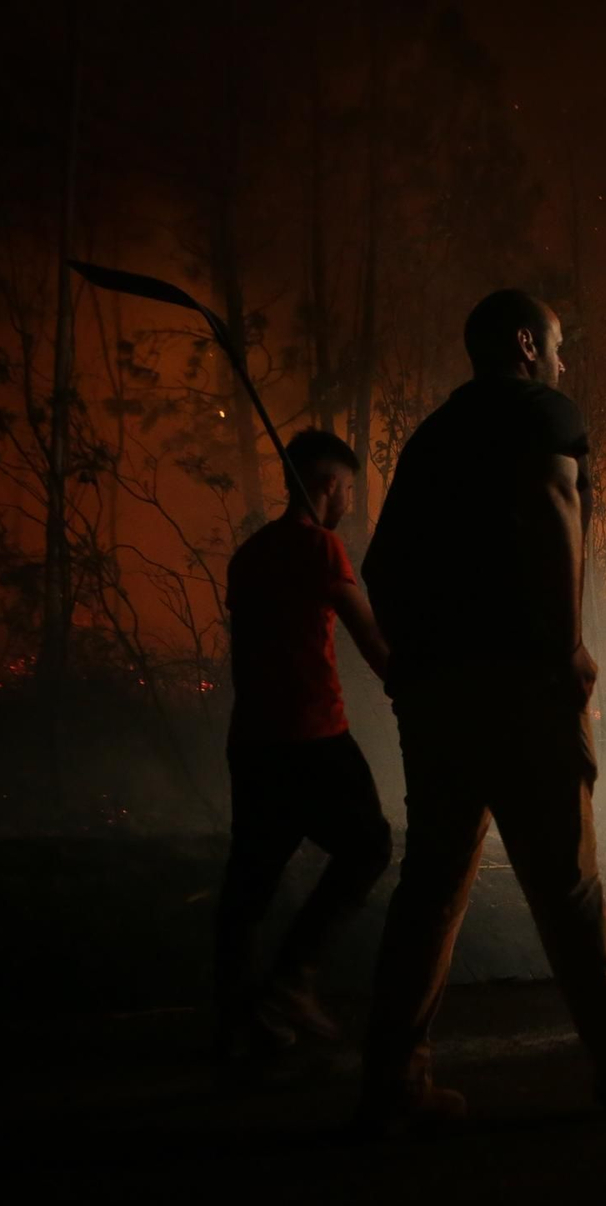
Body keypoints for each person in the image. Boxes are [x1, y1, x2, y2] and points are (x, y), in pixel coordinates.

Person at [359, 288, 606, 1131]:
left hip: (436, 695)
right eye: (557, 345)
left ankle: (393, 1079)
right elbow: (557, 510)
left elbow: (379, 570)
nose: (563, 362)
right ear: (525, 344)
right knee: (567, 879)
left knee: (433, 884)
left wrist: (411, 663)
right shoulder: (539, 411)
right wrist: (564, 650)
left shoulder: (432, 437)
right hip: (522, 687)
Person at [215, 430, 395, 1059]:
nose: (348, 500)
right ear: (325, 486)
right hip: (314, 736)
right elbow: (371, 638)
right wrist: (414, 686)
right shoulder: (321, 548)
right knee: (369, 845)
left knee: (250, 884)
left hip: (254, 741)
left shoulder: (250, 554)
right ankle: (293, 979)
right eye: (346, 489)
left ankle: (240, 1026)